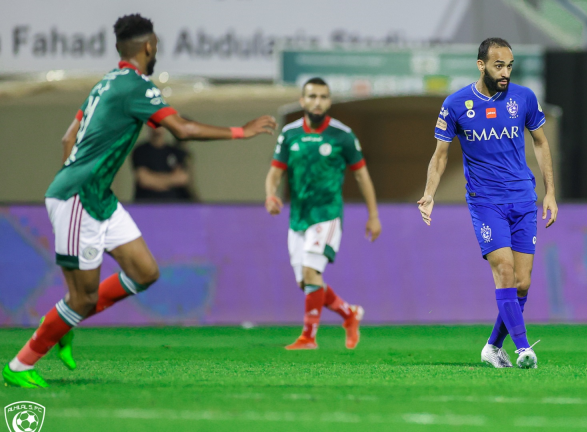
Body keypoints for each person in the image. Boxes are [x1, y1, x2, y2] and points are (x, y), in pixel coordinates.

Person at [2, 14, 277, 388]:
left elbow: (68, 139)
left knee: (144, 272)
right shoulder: (136, 86)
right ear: (149, 47)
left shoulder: (105, 85)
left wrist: (83, 172)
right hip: (78, 198)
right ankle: (19, 364)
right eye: (157, 46)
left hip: (97, 196)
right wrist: (241, 131)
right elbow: (183, 129)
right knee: (81, 299)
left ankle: (62, 320)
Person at [418, 38, 558, 369]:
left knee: (522, 282)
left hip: (523, 198)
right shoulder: (455, 104)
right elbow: (440, 156)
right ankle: (524, 348)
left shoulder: (524, 98)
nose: (505, 72)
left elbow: (540, 143)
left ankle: (493, 347)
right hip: (486, 202)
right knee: (504, 270)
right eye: (499, 66)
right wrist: (429, 192)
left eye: (509, 66)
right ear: (481, 65)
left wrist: (550, 191)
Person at [265, 77, 381, 350]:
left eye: (323, 97)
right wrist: (270, 195)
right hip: (298, 218)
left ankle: (308, 337)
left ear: (329, 101)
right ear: (303, 100)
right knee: (307, 282)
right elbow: (275, 173)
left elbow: (363, 176)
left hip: (327, 214)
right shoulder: (290, 134)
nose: (318, 102)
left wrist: (373, 215)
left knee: (310, 271)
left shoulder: (342, 135)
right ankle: (348, 313)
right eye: (312, 96)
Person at [132, 126, 196, 202]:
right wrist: (172, 179)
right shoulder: (141, 151)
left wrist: (155, 179)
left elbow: (182, 178)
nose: (157, 127)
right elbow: (144, 180)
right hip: (147, 204)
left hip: (172, 204)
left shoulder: (175, 152)